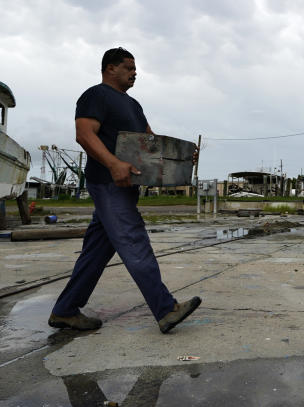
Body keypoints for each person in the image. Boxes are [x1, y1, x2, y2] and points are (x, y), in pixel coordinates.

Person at [49, 47, 201, 334]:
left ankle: (65, 311)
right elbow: (84, 134)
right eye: (129, 67)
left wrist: (182, 157)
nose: (134, 72)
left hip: (126, 185)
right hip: (107, 183)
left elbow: (151, 144)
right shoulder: (95, 95)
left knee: (95, 252)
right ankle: (166, 309)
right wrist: (113, 162)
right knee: (134, 241)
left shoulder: (133, 105)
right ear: (110, 68)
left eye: (135, 68)